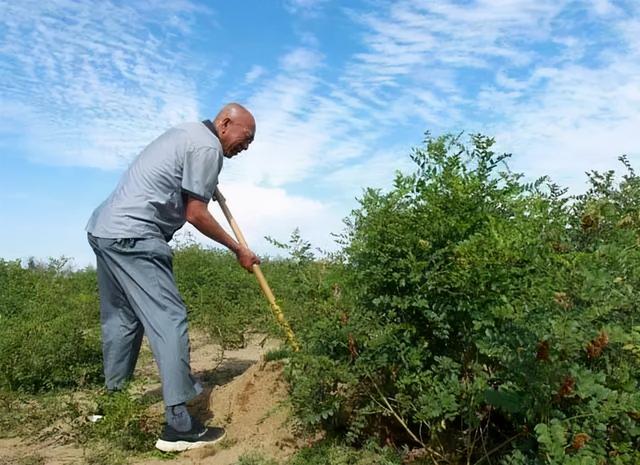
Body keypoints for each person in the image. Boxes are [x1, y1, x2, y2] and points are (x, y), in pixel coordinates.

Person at [85, 103, 260, 452]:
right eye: (247, 137)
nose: (247, 146)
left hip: (104, 229)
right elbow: (196, 213)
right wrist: (237, 249)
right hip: (135, 235)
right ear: (226, 123)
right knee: (170, 319)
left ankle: (110, 405)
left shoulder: (189, 134)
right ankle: (178, 426)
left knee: (123, 318)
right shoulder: (208, 148)